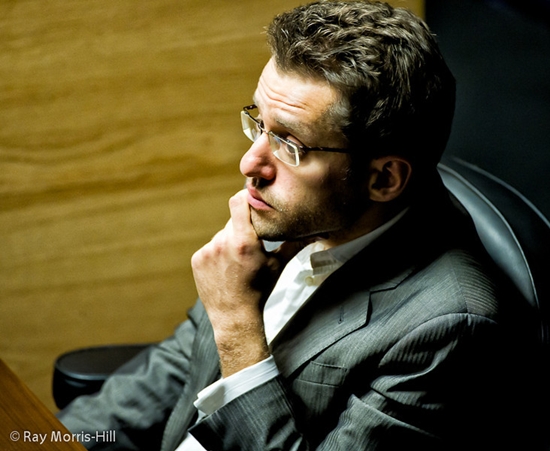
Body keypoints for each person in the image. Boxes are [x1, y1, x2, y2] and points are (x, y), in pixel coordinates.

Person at [57, 1, 543, 450]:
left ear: (383, 179)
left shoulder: (449, 329)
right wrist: (46, 439)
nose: (251, 163)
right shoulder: (305, 212)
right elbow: (177, 371)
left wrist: (236, 324)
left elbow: (228, 336)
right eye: (259, 123)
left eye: (289, 144)